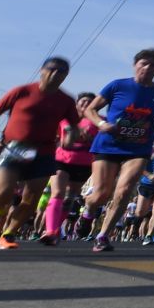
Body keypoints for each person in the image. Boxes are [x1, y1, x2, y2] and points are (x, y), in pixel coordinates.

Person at [0, 56, 81, 250]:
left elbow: (73, 126)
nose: (56, 74)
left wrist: (72, 136)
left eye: (62, 71)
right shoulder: (22, 91)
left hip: (43, 151)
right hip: (14, 147)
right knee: (4, 191)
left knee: (32, 197)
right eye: (52, 69)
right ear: (41, 70)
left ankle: (8, 234)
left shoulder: (66, 100)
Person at [83, 48, 154, 253]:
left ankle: (103, 235)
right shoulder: (118, 85)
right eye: (143, 63)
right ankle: (89, 208)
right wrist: (100, 123)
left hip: (138, 147)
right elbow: (90, 109)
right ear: (135, 65)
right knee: (101, 194)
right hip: (109, 144)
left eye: (153, 65)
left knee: (124, 190)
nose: (147, 68)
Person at [43, 93, 102, 244]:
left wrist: (92, 139)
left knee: (69, 199)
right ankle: (50, 230)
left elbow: (106, 140)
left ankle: (56, 229)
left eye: (89, 103)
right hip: (61, 161)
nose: (85, 105)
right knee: (57, 193)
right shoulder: (64, 119)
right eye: (82, 102)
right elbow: (53, 136)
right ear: (76, 104)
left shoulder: (99, 121)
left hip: (84, 164)